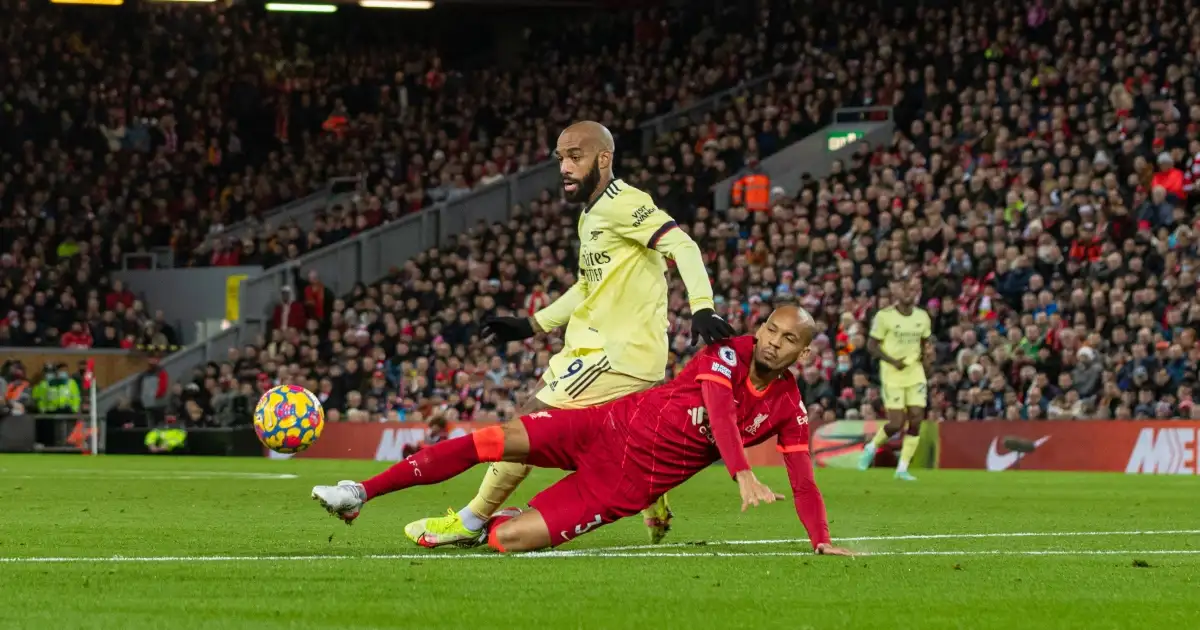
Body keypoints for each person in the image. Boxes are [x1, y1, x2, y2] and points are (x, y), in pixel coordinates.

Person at [403, 120, 734, 548]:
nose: (564, 167)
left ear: (604, 158)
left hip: (617, 353)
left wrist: (702, 306)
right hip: (597, 348)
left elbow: (683, 245)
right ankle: (653, 501)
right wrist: (532, 324)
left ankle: (471, 520)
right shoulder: (590, 215)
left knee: (527, 423)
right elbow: (587, 285)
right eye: (561, 158)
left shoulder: (625, 203)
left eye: (575, 157)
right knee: (621, 436)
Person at [312, 306, 853, 556]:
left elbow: (803, 480)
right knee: (493, 440)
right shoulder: (727, 351)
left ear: (804, 354)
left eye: (788, 340)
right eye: (771, 329)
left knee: (506, 542)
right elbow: (717, 408)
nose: (773, 342)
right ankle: (361, 493)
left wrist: (821, 539)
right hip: (604, 425)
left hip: (621, 485)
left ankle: (493, 523)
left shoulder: (789, 408)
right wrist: (741, 473)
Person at [858, 277, 933, 480]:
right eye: (904, 289)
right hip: (892, 374)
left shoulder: (922, 316)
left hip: (915, 372)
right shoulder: (884, 316)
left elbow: (925, 342)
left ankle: (902, 468)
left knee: (916, 418)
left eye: (911, 290)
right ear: (896, 293)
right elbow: (872, 345)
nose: (908, 293)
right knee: (896, 422)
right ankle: (871, 447)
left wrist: (928, 357)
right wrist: (892, 361)